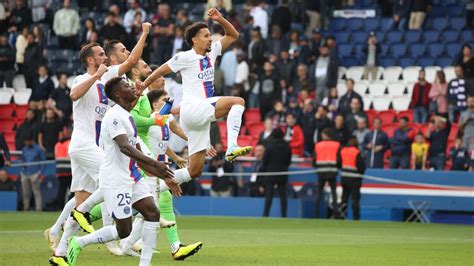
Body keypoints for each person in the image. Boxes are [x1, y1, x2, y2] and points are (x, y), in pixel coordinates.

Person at [48, 23, 151, 263]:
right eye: (101, 55)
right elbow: (73, 96)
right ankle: (114, 240)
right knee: (109, 184)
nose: (105, 57)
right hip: (84, 145)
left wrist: (144, 33)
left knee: (82, 200)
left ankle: (61, 247)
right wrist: (95, 76)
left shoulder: (109, 77)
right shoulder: (84, 78)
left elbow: (132, 58)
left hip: (91, 148)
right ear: (91, 60)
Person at [65, 77, 178, 266]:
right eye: (127, 86)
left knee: (152, 213)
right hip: (116, 179)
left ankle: (145, 264)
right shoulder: (114, 116)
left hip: (132, 176)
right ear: (118, 94)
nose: (132, 87)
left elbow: (137, 152)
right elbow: (125, 147)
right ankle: (78, 242)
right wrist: (155, 163)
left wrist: (163, 175)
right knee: (123, 230)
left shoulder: (127, 115)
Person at [141, 8, 252, 190]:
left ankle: (148, 189)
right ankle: (232, 147)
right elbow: (160, 70)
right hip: (193, 108)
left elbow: (233, 35)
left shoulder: (212, 51)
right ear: (195, 40)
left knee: (195, 171)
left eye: (210, 35)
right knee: (238, 102)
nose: (211, 39)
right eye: (206, 36)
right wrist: (143, 86)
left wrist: (220, 19)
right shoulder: (185, 57)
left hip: (198, 117)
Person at [125, 71, 203, 260]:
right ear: (154, 104)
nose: (169, 102)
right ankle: (82, 218)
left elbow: (162, 145)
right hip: (148, 170)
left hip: (159, 170)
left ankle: (133, 245)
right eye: (165, 100)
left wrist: (179, 156)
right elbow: (144, 143)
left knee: (150, 208)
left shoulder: (165, 120)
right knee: (141, 207)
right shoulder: (151, 120)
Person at [262, 128, 291, 217]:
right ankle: (284, 215)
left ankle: (265, 215)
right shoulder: (287, 145)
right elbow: (288, 160)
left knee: (269, 195)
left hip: (271, 173)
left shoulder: (270, 145)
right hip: (282, 173)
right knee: (283, 195)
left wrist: (267, 168)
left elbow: (265, 160)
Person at [337, 136, 366, 220]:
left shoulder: (343, 151)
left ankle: (341, 216)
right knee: (355, 200)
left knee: (344, 199)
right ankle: (356, 218)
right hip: (355, 179)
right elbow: (361, 167)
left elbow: (338, 163)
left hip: (344, 178)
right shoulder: (356, 152)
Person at [313, 128, 340, 218]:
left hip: (321, 171)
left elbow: (314, 160)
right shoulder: (336, 145)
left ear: (326, 135)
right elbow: (339, 160)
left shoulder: (318, 145)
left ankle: (316, 214)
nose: (321, 136)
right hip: (332, 171)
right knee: (333, 193)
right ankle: (336, 213)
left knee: (319, 194)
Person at [20, 134, 46, 211]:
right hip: (25, 173)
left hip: (35, 173)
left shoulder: (38, 149)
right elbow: (22, 160)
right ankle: (26, 208)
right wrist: (22, 170)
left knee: (36, 192)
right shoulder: (24, 149)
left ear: (31, 141)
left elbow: (43, 161)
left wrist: (40, 172)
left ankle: (38, 208)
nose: (26, 143)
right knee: (25, 192)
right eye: (25, 142)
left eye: (28, 141)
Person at [53, 128, 72, 209]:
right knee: (72, 191)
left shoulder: (57, 145)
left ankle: (60, 207)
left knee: (61, 190)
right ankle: (71, 207)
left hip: (60, 170)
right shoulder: (70, 143)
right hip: (69, 170)